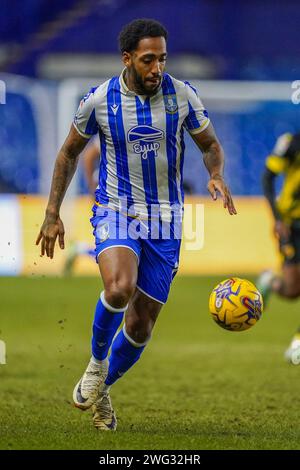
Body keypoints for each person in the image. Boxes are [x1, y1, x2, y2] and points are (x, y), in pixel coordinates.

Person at [36, 18, 236, 431]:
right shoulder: (99, 100)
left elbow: (210, 145)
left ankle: (103, 387)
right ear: (127, 58)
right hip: (117, 210)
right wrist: (52, 212)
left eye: (162, 59)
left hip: (166, 221)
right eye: (148, 60)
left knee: (141, 325)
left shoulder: (182, 96)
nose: (157, 68)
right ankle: (95, 364)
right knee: (119, 287)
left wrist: (215, 174)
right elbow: (68, 153)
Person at [258, 132, 300, 364]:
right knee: (293, 290)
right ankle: (270, 281)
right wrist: (277, 219)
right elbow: (268, 177)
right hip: (292, 224)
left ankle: (297, 345)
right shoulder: (291, 143)